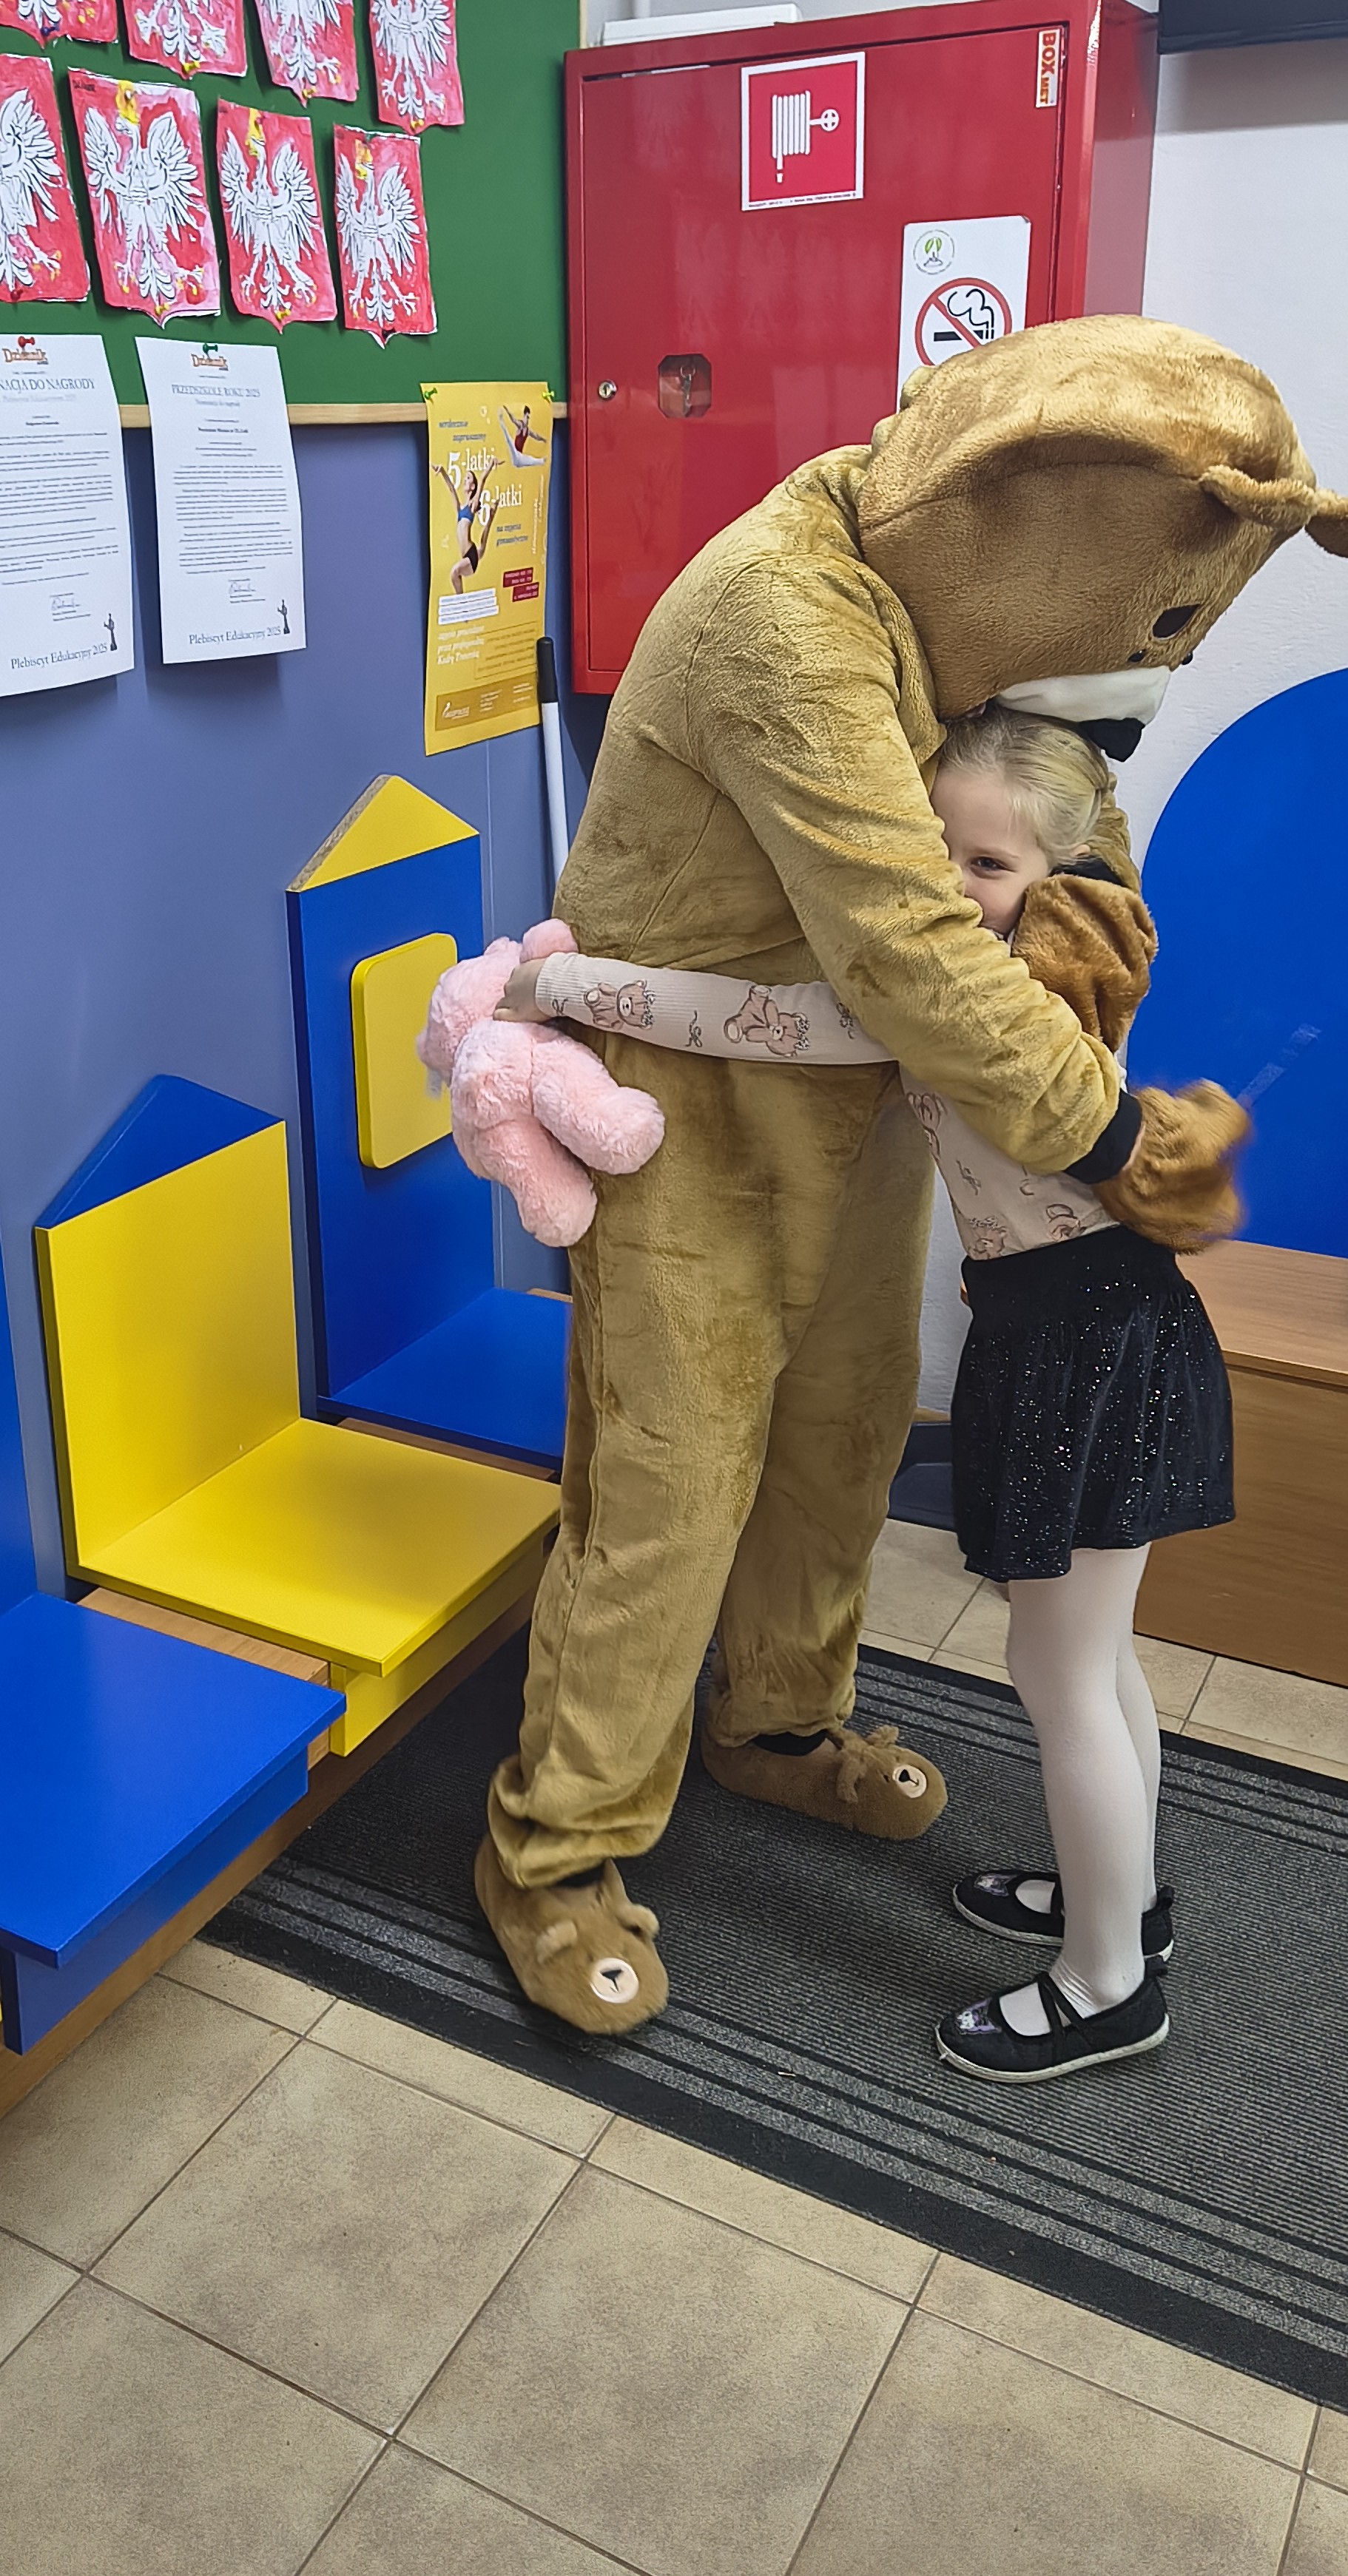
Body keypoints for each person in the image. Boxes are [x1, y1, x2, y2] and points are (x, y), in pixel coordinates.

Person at [471, 316, 1345, 2041]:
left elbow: (1037, 852)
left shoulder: (956, 626)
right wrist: (1110, 1133)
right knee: (667, 1483)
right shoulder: (782, 619)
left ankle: (775, 1716)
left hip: (854, 1086)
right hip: (696, 1108)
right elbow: (899, 942)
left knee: (842, 1429)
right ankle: (555, 1846)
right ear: (1026, 508)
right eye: (1138, 624)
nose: (1122, 671)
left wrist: (1077, 934)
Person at [497, 708, 1239, 2083]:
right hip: (1097, 1327)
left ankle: (1103, 1987)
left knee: (1058, 1672)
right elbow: (779, 1021)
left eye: (989, 863)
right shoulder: (1013, 973)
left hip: (1084, 1342)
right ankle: (1121, 1905)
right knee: (1095, 1659)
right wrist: (572, 990)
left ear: (1065, 877)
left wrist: (562, 987)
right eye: (931, 847)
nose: (950, 882)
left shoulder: (984, 1000)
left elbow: (770, 1022)